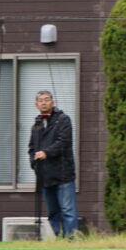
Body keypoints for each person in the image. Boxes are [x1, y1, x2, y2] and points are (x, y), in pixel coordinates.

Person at [29, 90, 77, 238]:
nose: (44, 103)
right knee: (52, 212)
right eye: (40, 100)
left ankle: (71, 239)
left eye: (47, 99)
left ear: (53, 102)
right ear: (36, 105)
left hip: (63, 173)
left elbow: (64, 142)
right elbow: (31, 148)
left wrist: (46, 153)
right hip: (45, 175)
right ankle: (57, 238)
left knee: (67, 210)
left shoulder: (63, 120)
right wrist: (34, 163)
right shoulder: (37, 125)